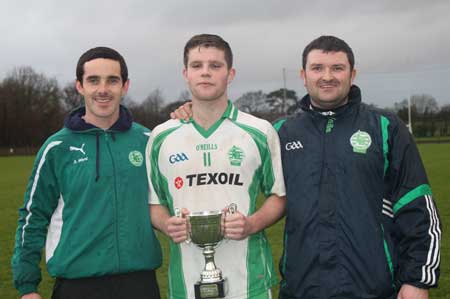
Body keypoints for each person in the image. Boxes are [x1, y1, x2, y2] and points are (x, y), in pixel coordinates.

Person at [275, 36, 441, 299]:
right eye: (317, 68)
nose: (327, 76)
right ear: (303, 75)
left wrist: (418, 279)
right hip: (301, 289)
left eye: (337, 68)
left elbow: (416, 204)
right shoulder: (281, 133)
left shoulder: (386, 127)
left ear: (352, 75)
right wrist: (189, 114)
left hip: (373, 288)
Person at [12, 47, 162, 299]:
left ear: (125, 86)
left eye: (112, 80)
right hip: (78, 286)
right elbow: (33, 216)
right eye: (93, 80)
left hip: (140, 285)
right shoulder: (57, 148)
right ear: (79, 86)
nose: (102, 89)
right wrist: (27, 286)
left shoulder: (148, 142)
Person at [147, 34, 286, 299]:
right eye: (197, 66)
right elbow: (154, 203)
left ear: (230, 73)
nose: (206, 73)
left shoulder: (259, 131)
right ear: (185, 73)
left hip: (250, 283)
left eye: (215, 65)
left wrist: (252, 223)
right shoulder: (161, 137)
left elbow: (278, 196)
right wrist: (167, 225)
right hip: (185, 283)